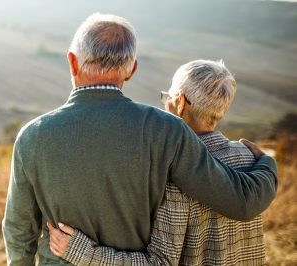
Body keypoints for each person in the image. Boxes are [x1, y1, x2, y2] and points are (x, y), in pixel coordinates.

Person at [2, 13, 277, 266]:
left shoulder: (32, 135)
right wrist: (266, 164)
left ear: (72, 61)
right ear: (132, 69)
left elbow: (19, 230)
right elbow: (239, 201)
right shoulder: (166, 129)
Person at [48, 59, 267, 265]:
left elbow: (161, 262)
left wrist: (84, 253)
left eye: (167, 98)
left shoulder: (173, 170)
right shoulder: (249, 157)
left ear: (180, 103)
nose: (165, 105)